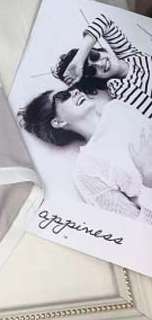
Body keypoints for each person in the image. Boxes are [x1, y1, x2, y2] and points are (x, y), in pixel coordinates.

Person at [19, 87, 152, 223]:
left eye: (71, 89)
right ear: (58, 122)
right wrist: (148, 179)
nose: (75, 91)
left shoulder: (118, 107)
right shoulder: (86, 170)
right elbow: (135, 228)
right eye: (64, 95)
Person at [52, 14, 152, 118]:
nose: (100, 64)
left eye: (95, 56)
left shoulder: (128, 53)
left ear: (101, 50)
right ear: (97, 79)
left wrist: (80, 59)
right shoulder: (119, 87)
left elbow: (104, 21)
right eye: (92, 70)